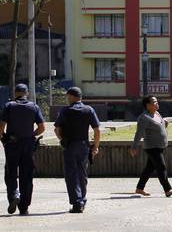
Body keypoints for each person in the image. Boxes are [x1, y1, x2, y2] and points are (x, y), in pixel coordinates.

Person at [0, 84, 45, 215]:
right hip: (28, 144)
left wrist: (4, 138)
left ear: (15, 93)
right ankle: (24, 206)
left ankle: (14, 195)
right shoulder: (34, 107)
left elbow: (1, 126)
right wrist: (32, 135)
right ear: (27, 93)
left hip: (12, 143)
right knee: (27, 175)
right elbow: (42, 127)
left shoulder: (9, 106)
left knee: (11, 173)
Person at [54, 87, 100, 213]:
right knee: (82, 173)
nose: (66, 99)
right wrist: (95, 146)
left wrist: (62, 139)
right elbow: (97, 130)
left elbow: (57, 130)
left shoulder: (65, 111)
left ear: (71, 96)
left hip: (69, 146)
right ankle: (83, 199)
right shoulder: (89, 110)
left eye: (67, 97)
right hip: (84, 146)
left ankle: (77, 202)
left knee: (71, 175)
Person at [130, 95, 172, 197]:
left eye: (156, 101)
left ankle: (139, 188)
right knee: (161, 167)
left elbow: (160, 125)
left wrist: (165, 123)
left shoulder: (157, 114)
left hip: (160, 146)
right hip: (152, 147)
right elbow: (138, 133)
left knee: (149, 168)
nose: (157, 103)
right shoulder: (144, 118)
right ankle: (167, 189)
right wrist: (134, 147)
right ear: (148, 105)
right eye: (154, 102)